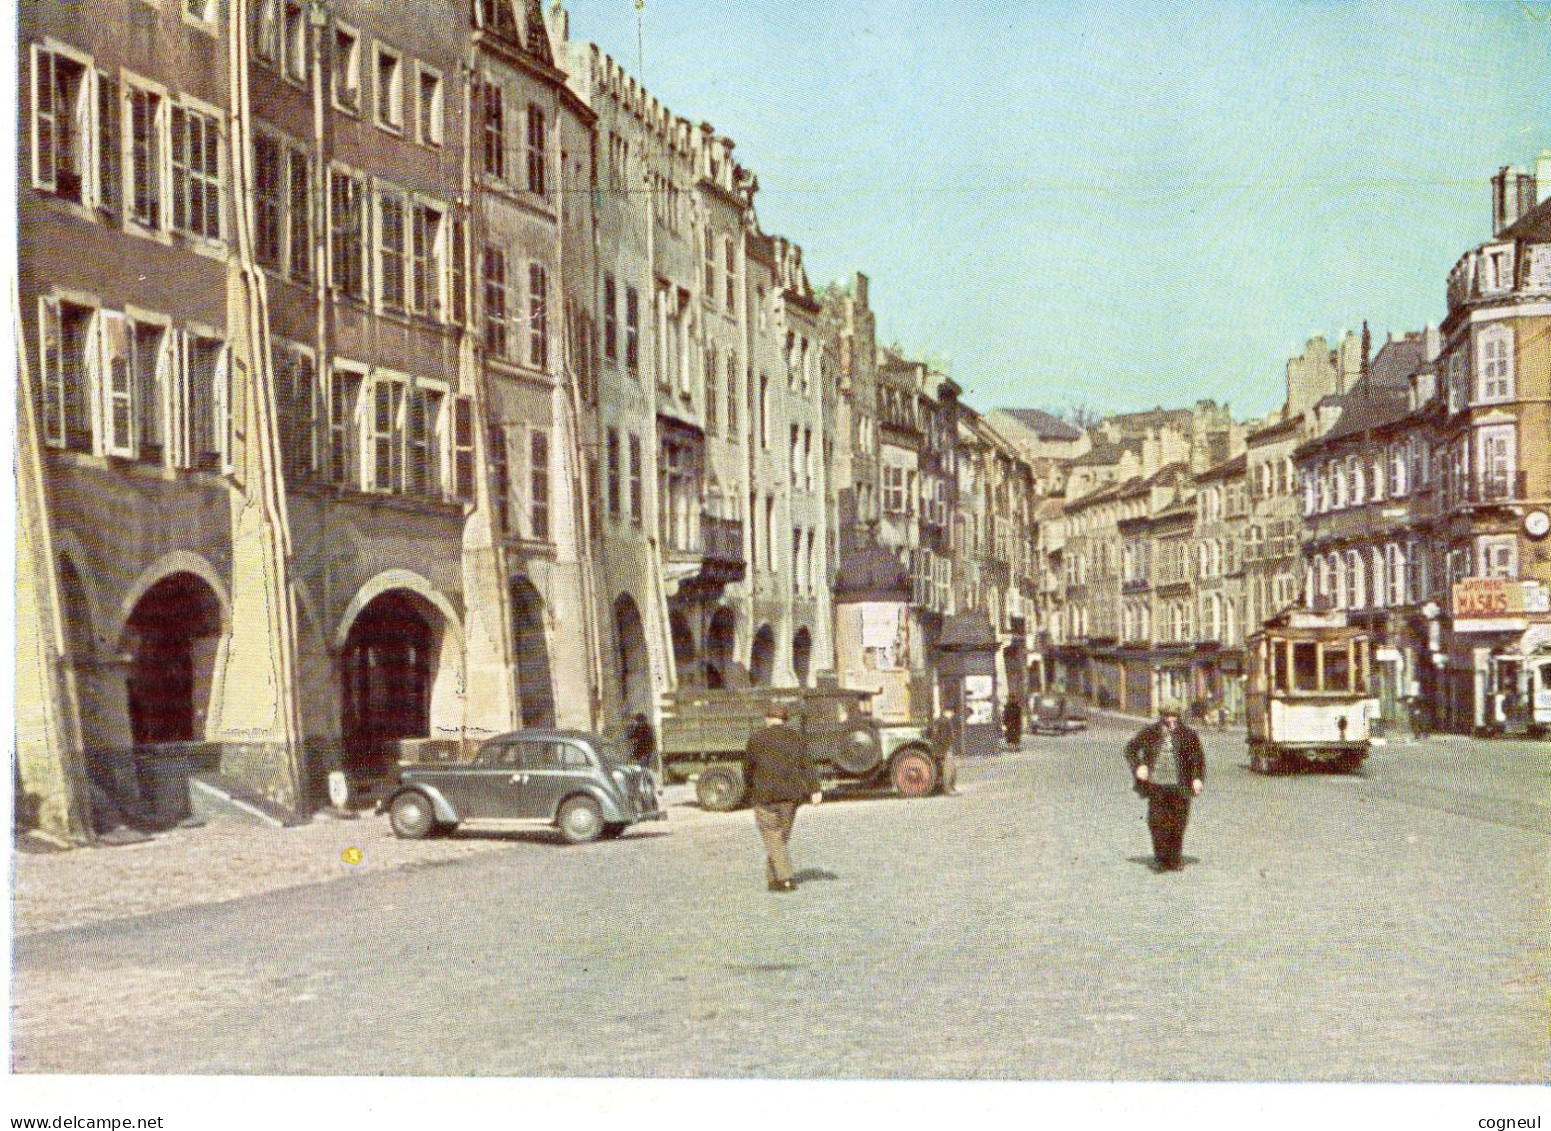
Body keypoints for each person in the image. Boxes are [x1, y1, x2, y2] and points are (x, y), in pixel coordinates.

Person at [744, 703, 822, 892]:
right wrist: (815, 790)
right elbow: (807, 764)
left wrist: (749, 790)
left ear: (767, 719)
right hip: (789, 798)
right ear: (785, 721)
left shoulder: (755, 738)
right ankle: (773, 880)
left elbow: (747, 768)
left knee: (774, 837)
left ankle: (785, 879)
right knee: (780, 837)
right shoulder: (796, 738)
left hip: (764, 796)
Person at [1124, 701, 1205, 871]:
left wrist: (1197, 778)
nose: (1170, 720)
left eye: (1173, 716)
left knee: (1178, 822)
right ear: (1161, 716)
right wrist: (1139, 766)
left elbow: (1197, 758)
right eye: (1166, 716)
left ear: (1179, 716)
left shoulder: (1188, 734)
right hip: (1156, 784)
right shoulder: (1151, 732)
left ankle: (1174, 859)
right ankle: (1161, 859)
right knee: (1157, 821)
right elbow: (1131, 748)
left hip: (1180, 784)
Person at [927, 708, 961, 795]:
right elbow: (946, 736)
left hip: (939, 748)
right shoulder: (946, 721)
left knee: (949, 768)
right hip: (945, 748)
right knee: (949, 769)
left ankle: (950, 788)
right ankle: (949, 789)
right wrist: (946, 747)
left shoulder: (937, 721)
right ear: (949, 712)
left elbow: (931, 734)